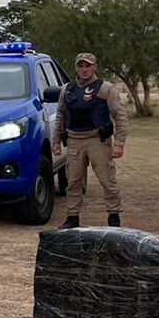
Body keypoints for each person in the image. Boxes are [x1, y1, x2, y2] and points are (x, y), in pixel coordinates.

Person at [55, 52, 128, 229]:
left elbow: (120, 116)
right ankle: (72, 217)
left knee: (107, 180)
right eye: (80, 66)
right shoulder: (67, 89)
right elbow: (60, 115)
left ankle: (113, 216)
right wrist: (56, 140)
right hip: (74, 140)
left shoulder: (105, 89)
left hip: (97, 140)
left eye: (88, 65)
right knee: (73, 181)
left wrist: (119, 143)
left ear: (95, 67)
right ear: (76, 68)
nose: (84, 69)